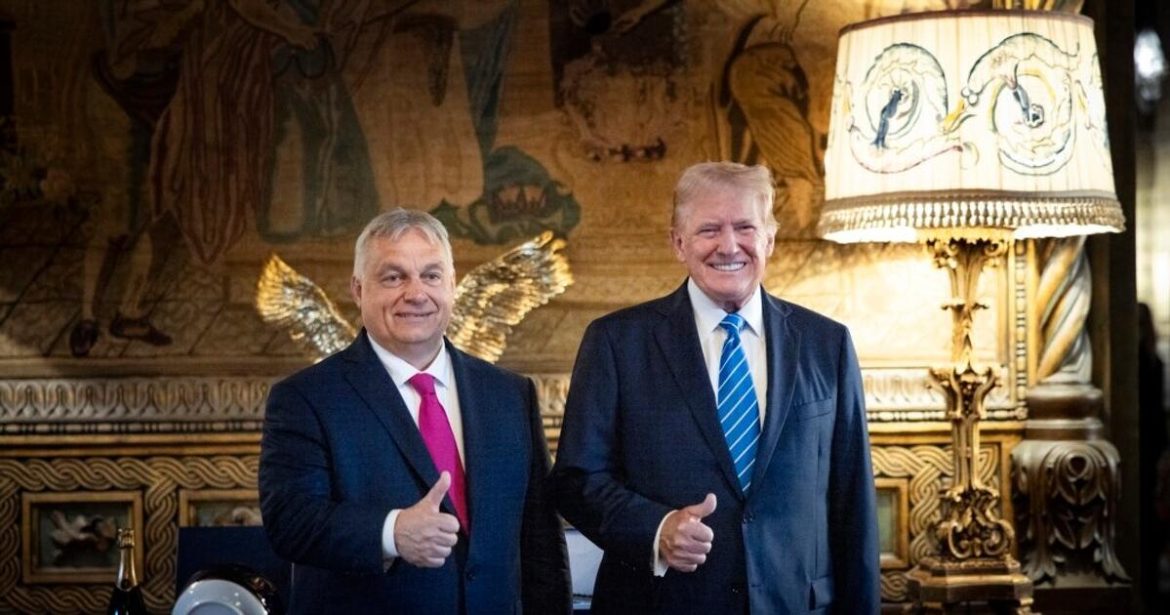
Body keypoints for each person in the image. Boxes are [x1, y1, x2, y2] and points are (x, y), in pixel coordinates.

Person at [551, 161, 879, 614]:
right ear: (678, 243)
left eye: (745, 227)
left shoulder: (828, 344)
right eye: (709, 230)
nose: (729, 246)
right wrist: (657, 529)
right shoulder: (616, 342)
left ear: (769, 239)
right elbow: (576, 480)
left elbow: (854, 503)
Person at [259, 209, 571, 614]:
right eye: (394, 277)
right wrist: (391, 533)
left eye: (431, 275)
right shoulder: (306, 397)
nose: (416, 293)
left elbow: (541, 542)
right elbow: (290, 522)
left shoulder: (510, 394)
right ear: (358, 290)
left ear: (452, 285)